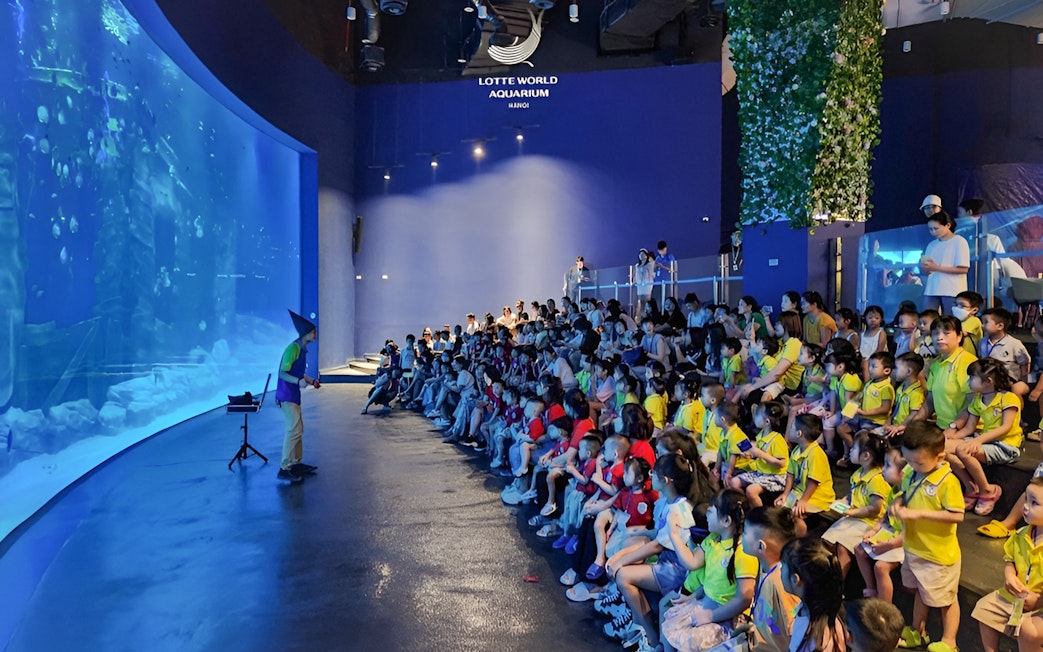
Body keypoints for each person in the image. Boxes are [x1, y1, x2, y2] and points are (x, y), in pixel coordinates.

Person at [604, 454, 696, 651]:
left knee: (623, 575)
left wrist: (621, 561)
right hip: (667, 562)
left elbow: (657, 545)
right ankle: (637, 624)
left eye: (653, 473)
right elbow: (657, 536)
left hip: (676, 569)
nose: (650, 476)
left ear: (666, 481)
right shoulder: (669, 503)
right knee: (629, 551)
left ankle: (651, 639)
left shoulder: (680, 509)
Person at [890, 421, 964, 652]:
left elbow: (957, 515)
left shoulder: (947, 481)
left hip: (938, 554)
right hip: (914, 547)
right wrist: (898, 501)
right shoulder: (914, 472)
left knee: (946, 600)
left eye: (918, 462)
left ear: (940, 457)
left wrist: (919, 513)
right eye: (908, 460)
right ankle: (917, 630)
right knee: (922, 591)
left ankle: (949, 641)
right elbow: (907, 493)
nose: (911, 465)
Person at [659, 490, 758, 652]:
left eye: (711, 511)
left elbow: (744, 598)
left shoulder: (743, 552)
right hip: (705, 603)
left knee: (686, 638)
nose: (706, 515)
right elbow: (692, 562)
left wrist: (711, 616)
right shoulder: (713, 539)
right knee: (670, 622)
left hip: (725, 617)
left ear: (726, 520)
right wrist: (674, 535)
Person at [972, 476, 1043, 652]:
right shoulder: (1021, 534)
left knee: (1029, 631)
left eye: (1035, 503)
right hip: (1019, 597)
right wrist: (1010, 576)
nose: (1025, 506)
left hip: (1039, 603)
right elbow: (1010, 558)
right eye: (1026, 499)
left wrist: (1038, 601)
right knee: (984, 608)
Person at [944, 358, 1021, 516]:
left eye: (972, 378)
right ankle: (972, 488)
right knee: (942, 448)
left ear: (988, 381)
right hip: (984, 442)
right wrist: (950, 438)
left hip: (1005, 446)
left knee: (963, 450)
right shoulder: (978, 400)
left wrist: (976, 441)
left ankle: (988, 490)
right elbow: (969, 427)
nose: (968, 381)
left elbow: (1005, 427)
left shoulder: (1008, 398)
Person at [821, 433, 889, 578]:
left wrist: (852, 512)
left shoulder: (876, 480)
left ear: (866, 456)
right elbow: (852, 495)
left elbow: (875, 509)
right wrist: (842, 502)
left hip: (869, 522)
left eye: (853, 448)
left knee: (843, 547)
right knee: (827, 540)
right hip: (854, 516)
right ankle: (831, 573)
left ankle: (839, 583)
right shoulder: (858, 473)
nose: (850, 450)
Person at [739, 506, 801, 652]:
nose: (741, 536)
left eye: (745, 532)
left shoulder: (781, 582)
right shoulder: (764, 566)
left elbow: (794, 632)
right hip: (756, 640)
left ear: (761, 546)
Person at [856, 442, 907, 602]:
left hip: (901, 542)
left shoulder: (909, 498)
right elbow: (884, 518)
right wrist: (873, 531)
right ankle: (871, 589)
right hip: (889, 534)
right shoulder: (894, 491)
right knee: (859, 550)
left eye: (888, 466)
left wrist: (887, 545)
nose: (882, 470)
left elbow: (908, 535)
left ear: (904, 473)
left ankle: (885, 606)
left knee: (881, 567)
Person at [276, 310, 320, 483]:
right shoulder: (293, 348)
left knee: (298, 429)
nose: (315, 334)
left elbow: (299, 373)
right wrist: (298, 381)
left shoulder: (301, 350)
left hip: (293, 395)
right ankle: (285, 467)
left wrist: (310, 380)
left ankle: (296, 462)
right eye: (313, 331)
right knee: (294, 430)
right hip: (286, 396)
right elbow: (282, 373)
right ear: (305, 333)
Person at [781, 537, 847, 652]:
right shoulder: (812, 609)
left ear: (796, 580)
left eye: (782, 567)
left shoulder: (819, 642)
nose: (780, 570)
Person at [777, 414, 835, 537]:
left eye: (792, 427)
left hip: (817, 496)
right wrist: (785, 494)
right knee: (779, 505)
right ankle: (786, 536)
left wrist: (803, 501)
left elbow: (814, 481)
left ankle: (800, 543)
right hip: (800, 491)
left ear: (799, 433)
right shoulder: (796, 450)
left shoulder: (816, 454)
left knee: (796, 513)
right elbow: (790, 474)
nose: (790, 429)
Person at [731, 401, 789, 507]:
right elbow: (757, 452)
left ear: (767, 421)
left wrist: (759, 454)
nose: (754, 417)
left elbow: (782, 463)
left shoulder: (777, 439)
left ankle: (760, 517)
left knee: (751, 490)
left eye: (757, 415)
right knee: (734, 482)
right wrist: (749, 454)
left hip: (775, 476)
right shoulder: (761, 435)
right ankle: (745, 508)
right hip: (760, 472)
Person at [921, 211, 970, 315]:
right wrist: (925, 268)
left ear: (948, 225)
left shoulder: (959, 241)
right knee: (927, 319)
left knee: (950, 322)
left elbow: (963, 269)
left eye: (936, 228)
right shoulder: (931, 244)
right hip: (932, 288)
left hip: (952, 290)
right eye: (930, 229)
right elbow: (929, 268)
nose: (933, 232)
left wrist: (936, 267)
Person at [635, 249, 655, 314]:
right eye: (640, 254)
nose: (641, 256)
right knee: (641, 302)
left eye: (643, 254)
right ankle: (641, 316)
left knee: (647, 302)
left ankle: (648, 314)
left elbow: (651, 274)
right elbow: (636, 275)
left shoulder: (649, 265)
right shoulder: (637, 266)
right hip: (640, 286)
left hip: (647, 286)